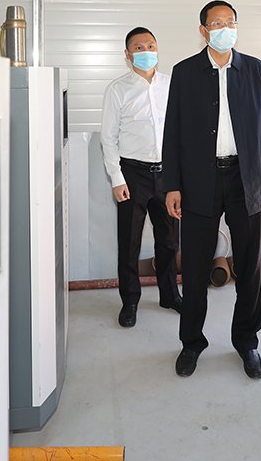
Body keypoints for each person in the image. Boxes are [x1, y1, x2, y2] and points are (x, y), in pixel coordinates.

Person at [162, 0, 261, 380]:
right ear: (203, 31)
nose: (224, 28)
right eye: (216, 23)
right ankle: (191, 343)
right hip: (199, 180)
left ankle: (247, 341)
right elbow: (172, 131)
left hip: (245, 177)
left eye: (230, 22)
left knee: (249, 266)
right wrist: (172, 185)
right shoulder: (185, 72)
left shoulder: (255, 70)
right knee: (196, 267)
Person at [100, 26, 182, 328]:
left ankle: (169, 295)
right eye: (138, 47)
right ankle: (130, 301)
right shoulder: (117, 89)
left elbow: (182, 133)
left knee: (169, 241)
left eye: (150, 45)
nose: (146, 51)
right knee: (130, 243)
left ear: (157, 49)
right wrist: (117, 178)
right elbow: (108, 138)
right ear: (127, 54)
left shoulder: (172, 85)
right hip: (132, 175)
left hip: (168, 174)